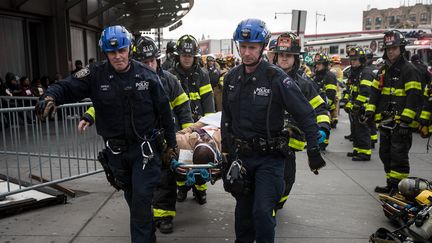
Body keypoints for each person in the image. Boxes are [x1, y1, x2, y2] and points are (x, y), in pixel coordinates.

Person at [35, 25, 177, 243]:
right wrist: (50, 96)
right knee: (134, 201)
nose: (118, 56)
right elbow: (66, 86)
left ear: (129, 48)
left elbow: (165, 112)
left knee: (140, 199)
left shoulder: (147, 75)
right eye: (112, 53)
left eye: (122, 50)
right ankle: (147, 235)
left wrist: (171, 145)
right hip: (117, 155)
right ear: (105, 52)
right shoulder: (95, 75)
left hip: (144, 152)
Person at [221, 18, 326, 243]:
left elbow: (306, 113)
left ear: (262, 48)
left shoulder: (276, 78)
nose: (246, 52)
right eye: (243, 46)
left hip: (270, 160)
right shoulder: (231, 78)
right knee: (242, 216)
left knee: (262, 212)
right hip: (243, 159)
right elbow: (226, 120)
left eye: (252, 47)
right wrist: (226, 155)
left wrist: (314, 150)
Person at [272, 32, 331, 210]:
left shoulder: (304, 84)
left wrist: (322, 128)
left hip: (290, 143)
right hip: (264, 140)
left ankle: (277, 204)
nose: (284, 59)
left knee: (288, 177)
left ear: (295, 58)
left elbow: (320, 108)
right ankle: (267, 205)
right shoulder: (265, 78)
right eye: (281, 54)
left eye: (288, 55)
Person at [365, 30, 423, 194]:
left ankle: (399, 189)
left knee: (399, 157)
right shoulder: (384, 70)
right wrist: (370, 112)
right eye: (388, 48)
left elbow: (415, 96)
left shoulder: (409, 69)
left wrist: (407, 119)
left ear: (401, 48)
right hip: (386, 122)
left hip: (401, 123)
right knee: (385, 154)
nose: (390, 51)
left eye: (394, 48)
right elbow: (375, 93)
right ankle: (391, 184)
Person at [169, 34, 215, 204]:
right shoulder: (170, 75)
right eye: (184, 55)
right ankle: (182, 187)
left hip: (199, 125)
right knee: (181, 158)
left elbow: (208, 101)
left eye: (189, 55)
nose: (187, 59)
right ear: (178, 55)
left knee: (200, 158)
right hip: (178, 125)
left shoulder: (202, 75)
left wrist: (208, 127)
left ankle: (200, 189)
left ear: (194, 56)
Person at [343, 47, 374, 161]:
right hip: (354, 108)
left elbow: (365, 92)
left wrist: (355, 105)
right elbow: (349, 89)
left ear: (361, 60)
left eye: (355, 59)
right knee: (355, 130)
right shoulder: (354, 72)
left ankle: (365, 153)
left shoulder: (366, 73)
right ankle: (357, 150)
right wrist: (346, 102)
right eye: (351, 59)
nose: (353, 61)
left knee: (362, 130)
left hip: (363, 108)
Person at [313, 52, 338, 150]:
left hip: (325, 105)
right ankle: (318, 142)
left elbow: (331, 93)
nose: (317, 66)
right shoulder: (317, 75)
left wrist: (327, 105)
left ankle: (323, 143)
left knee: (324, 124)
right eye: (316, 64)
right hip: (317, 104)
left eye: (319, 64)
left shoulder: (329, 76)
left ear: (325, 64)